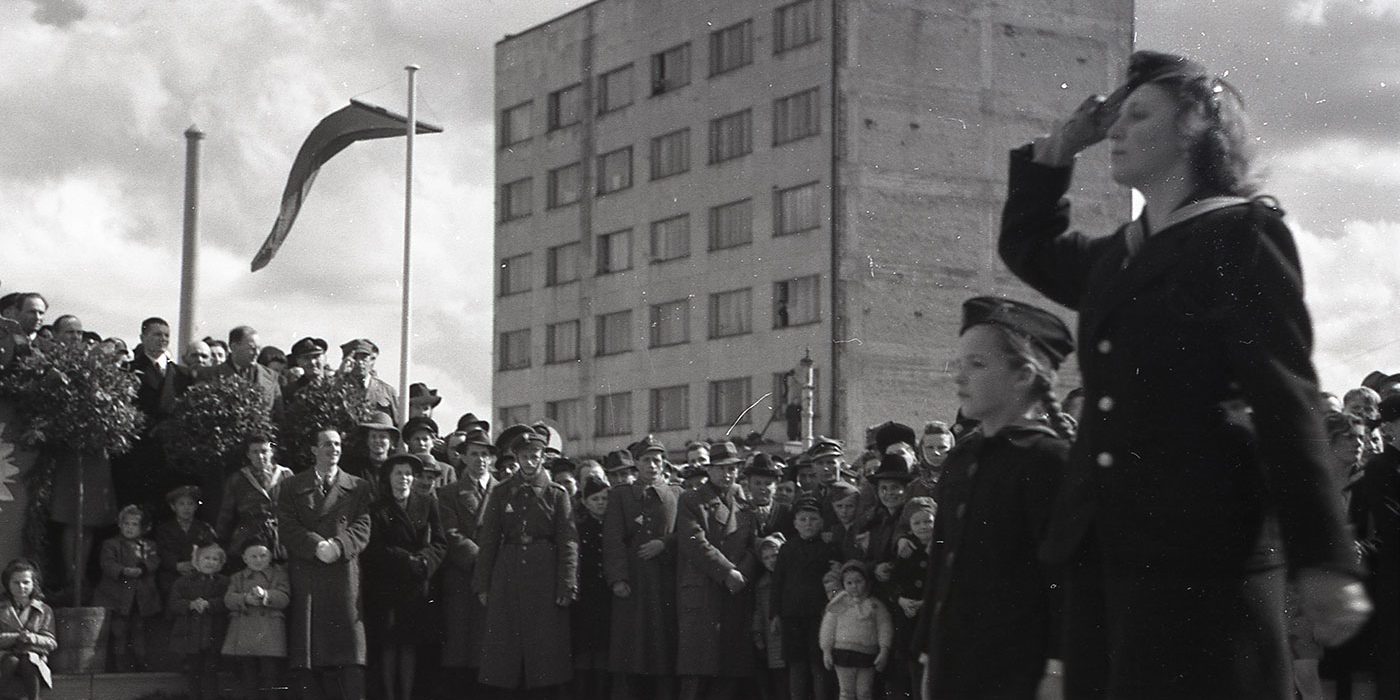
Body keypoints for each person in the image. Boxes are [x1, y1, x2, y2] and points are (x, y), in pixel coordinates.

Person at [999, 50, 1371, 696]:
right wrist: (1058, 150)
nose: (1114, 129)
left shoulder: (1239, 235)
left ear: (1199, 125)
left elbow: (1285, 399)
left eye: (1138, 114)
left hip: (1200, 560)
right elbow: (1029, 248)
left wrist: (1323, 560)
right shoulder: (1124, 253)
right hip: (1104, 558)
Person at [910, 297, 1074, 699]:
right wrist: (930, 654)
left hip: (1022, 675)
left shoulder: (1049, 461)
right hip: (956, 668)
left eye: (978, 365)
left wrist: (1056, 672)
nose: (959, 377)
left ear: (1023, 376)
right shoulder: (963, 458)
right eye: (960, 364)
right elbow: (942, 570)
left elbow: (1068, 585)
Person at [474, 425, 579, 695]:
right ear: (516, 458)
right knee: (506, 649)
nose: (530, 461)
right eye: (524, 456)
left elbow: (568, 541)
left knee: (544, 650)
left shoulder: (557, 494)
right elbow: (488, 540)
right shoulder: (501, 492)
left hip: (544, 572)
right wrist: (483, 583)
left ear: (543, 456)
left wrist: (567, 583)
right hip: (508, 573)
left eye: (535, 455)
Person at [277, 427, 373, 700]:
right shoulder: (291, 486)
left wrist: (339, 545)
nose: (334, 449)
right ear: (313, 450)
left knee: (349, 650)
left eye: (338, 444)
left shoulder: (357, 486)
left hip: (343, 572)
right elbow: (286, 525)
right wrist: (315, 545)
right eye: (327, 444)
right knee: (309, 649)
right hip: (308, 571)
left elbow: (364, 524)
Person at [674, 440, 758, 700]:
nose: (727, 473)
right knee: (698, 671)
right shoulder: (692, 500)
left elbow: (754, 545)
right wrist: (727, 572)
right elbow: (694, 542)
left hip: (735, 592)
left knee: (730, 671)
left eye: (732, 468)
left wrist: (742, 573)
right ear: (709, 470)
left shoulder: (744, 503)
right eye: (720, 468)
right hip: (704, 591)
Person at [364, 452, 447, 700]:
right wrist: (404, 559)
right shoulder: (377, 508)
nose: (404, 478)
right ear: (389, 477)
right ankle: (390, 695)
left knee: (410, 645)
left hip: (416, 587)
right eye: (399, 473)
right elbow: (373, 548)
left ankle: (407, 695)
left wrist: (424, 561)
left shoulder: (427, 503)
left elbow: (440, 543)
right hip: (388, 586)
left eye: (409, 474)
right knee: (390, 646)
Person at [604, 435, 680, 700]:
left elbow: (686, 533)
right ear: (636, 463)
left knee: (661, 648)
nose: (652, 465)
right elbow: (612, 538)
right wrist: (617, 579)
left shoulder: (675, 495)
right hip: (633, 583)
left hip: (663, 582)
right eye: (646, 460)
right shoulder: (621, 496)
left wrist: (664, 543)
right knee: (630, 649)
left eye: (657, 460)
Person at [438, 428, 498, 694]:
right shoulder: (450, 493)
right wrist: (480, 560)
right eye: (474, 454)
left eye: (485, 454)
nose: (480, 460)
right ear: (463, 457)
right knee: (461, 647)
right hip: (464, 576)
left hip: (497, 577)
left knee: (491, 649)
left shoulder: (505, 490)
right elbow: (451, 534)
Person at [772, 495, 841, 700]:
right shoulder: (787, 548)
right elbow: (778, 582)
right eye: (802, 519)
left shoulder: (829, 547)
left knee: (819, 664)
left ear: (821, 522)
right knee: (796, 665)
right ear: (795, 523)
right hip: (792, 615)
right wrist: (774, 613)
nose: (808, 524)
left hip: (819, 615)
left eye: (813, 519)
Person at [93, 505, 161, 672]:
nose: (130, 528)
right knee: (119, 631)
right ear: (120, 524)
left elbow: (155, 560)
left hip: (139, 598)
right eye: (127, 524)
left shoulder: (149, 545)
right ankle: (119, 665)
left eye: (135, 524)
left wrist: (143, 568)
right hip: (117, 596)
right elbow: (107, 563)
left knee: (139, 630)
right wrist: (122, 570)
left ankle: (141, 662)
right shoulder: (111, 544)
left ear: (142, 527)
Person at [222, 544, 290, 700]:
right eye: (253, 556)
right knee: (248, 675)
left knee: (270, 674)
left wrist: (266, 595)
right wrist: (245, 599)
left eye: (263, 556)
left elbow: (284, 597)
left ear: (270, 557)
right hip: (245, 632)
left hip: (269, 632)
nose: (258, 560)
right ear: (244, 559)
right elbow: (228, 599)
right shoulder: (237, 578)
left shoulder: (279, 575)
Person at [216, 434, 294, 564]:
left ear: (272, 452)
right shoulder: (238, 479)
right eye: (255, 452)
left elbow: (297, 509)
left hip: (280, 538)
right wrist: (219, 540)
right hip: (249, 536)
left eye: (264, 451)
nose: (260, 456)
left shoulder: (285, 475)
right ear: (248, 454)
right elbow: (226, 513)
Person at [819, 560, 891, 700]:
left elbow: (885, 627)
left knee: (865, 692)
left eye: (859, 581)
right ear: (843, 584)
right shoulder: (838, 604)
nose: (854, 586)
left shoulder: (875, 605)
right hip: (843, 654)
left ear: (867, 581)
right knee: (846, 692)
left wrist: (884, 650)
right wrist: (826, 650)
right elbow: (828, 627)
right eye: (849, 583)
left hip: (867, 655)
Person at [167, 543, 230, 700]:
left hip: (213, 635)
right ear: (196, 560)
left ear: (221, 563)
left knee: (211, 670)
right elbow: (173, 603)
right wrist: (190, 604)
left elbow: (228, 601)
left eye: (215, 559)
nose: (210, 562)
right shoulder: (183, 581)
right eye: (206, 558)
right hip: (190, 635)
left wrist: (211, 604)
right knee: (193, 671)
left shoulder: (224, 582)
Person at [573, 476, 612, 700]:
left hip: (606, 598)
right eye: (595, 499)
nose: (601, 503)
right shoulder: (580, 528)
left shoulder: (614, 527)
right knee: (584, 654)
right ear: (585, 502)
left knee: (603, 654)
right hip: (585, 598)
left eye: (605, 498)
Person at [0, 559, 57, 700]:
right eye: (16, 582)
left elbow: (51, 642)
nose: (21, 587)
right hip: (4, 655)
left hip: (32, 656)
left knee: (28, 660)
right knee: (11, 661)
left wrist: (32, 638)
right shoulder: (1, 609)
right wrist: (15, 637)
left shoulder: (43, 610)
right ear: (8, 584)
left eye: (26, 582)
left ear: (33, 584)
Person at [154, 485, 218, 595]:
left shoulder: (204, 528)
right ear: (173, 507)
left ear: (196, 507)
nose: (186, 508)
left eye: (190, 504)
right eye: (181, 504)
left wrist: (196, 564)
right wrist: (176, 565)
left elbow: (213, 550)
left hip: (199, 573)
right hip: (172, 576)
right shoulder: (164, 529)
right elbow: (160, 552)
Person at [752, 533, 787, 700]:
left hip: (793, 635)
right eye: (766, 558)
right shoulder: (762, 585)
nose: (772, 560)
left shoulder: (792, 577)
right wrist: (757, 633)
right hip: (774, 637)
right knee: (779, 680)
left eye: (775, 555)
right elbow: (759, 610)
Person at [339, 339, 399, 425]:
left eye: (364, 357)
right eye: (354, 358)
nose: (359, 362)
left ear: (371, 360)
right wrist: (341, 377)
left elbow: (398, 424)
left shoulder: (387, 391)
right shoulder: (338, 388)